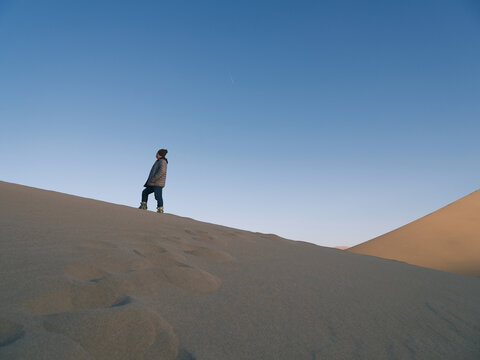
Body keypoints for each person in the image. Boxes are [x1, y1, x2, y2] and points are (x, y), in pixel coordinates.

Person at [139, 149, 168, 213]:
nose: (156, 154)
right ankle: (143, 205)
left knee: (158, 196)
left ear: (160, 154)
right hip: (153, 183)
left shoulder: (163, 161)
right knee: (145, 192)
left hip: (158, 183)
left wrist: (155, 178)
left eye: (157, 153)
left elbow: (162, 171)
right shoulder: (158, 161)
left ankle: (160, 209)